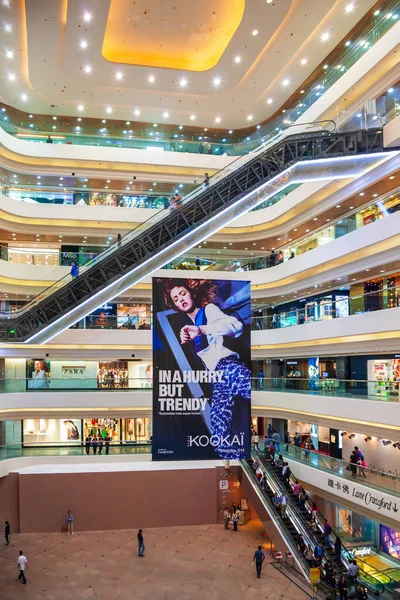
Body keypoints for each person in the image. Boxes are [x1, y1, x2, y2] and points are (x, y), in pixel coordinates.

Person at [159, 279, 251, 458]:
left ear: (191, 293)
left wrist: (200, 330)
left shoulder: (208, 310)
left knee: (262, 399)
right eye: (176, 299)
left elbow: (235, 326)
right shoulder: (190, 324)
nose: (181, 300)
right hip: (219, 381)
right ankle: (239, 467)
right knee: (219, 437)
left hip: (229, 369)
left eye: (182, 293)